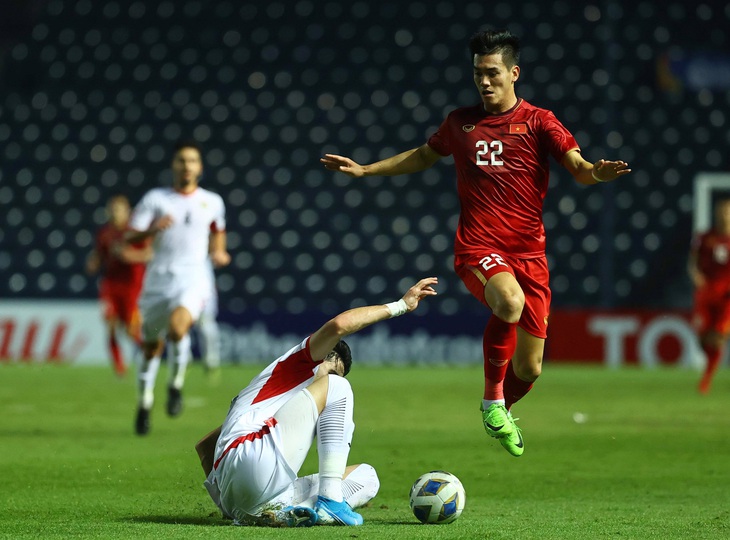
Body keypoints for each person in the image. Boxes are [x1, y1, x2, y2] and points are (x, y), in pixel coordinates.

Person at [321, 30, 631, 457]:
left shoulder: (540, 121)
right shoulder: (460, 122)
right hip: (478, 245)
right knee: (508, 301)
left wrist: (597, 173)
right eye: (477, 74)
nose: (484, 82)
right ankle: (491, 402)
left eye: (493, 73)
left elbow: (577, 167)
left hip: (530, 254)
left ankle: (500, 407)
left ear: (514, 73)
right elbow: (425, 155)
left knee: (531, 367)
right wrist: (366, 171)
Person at [195, 277, 439, 527]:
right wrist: (400, 305)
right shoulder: (298, 364)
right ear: (324, 355)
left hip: (243, 497)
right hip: (253, 463)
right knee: (339, 387)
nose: (328, 380)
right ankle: (330, 502)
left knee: (368, 477)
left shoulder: (268, 400)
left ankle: (295, 512)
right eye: (331, 370)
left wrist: (233, 503)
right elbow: (339, 325)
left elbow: (205, 447)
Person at [126, 139, 230, 435]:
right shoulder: (156, 199)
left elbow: (218, 233)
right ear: (174, 165)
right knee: (151, 347)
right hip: (158, 280)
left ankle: (175, 385)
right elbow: (130, 237)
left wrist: (219, 252)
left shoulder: (212, 201)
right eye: (182, 160)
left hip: (193, 278)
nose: (187, 166)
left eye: (192, 161)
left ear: (200, 167)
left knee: (178, 328)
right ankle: (145, 402)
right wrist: (151, 229)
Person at [85, 194, 152, 376]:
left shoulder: (135, 232)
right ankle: (119, 367)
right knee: (111, 325)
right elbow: (99, 255)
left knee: (131, 330)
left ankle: (150, 353)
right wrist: (93, 263)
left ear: (127, 211)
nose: (115, 213)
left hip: (132, 286)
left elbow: (149, 254)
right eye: (112, 209)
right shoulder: (105, 233)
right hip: (111, 285)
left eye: (119, 209)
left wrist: (130, 256)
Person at [688, 198, 730, 394]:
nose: (724, 216)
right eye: (721, 212)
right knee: (703, 338)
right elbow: (693, 261)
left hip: (727, 296)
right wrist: (696, 275)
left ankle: (706, 379)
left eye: (727, 212)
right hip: (706, 293)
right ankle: (709, 366)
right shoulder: (705, 237)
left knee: (718, 337)